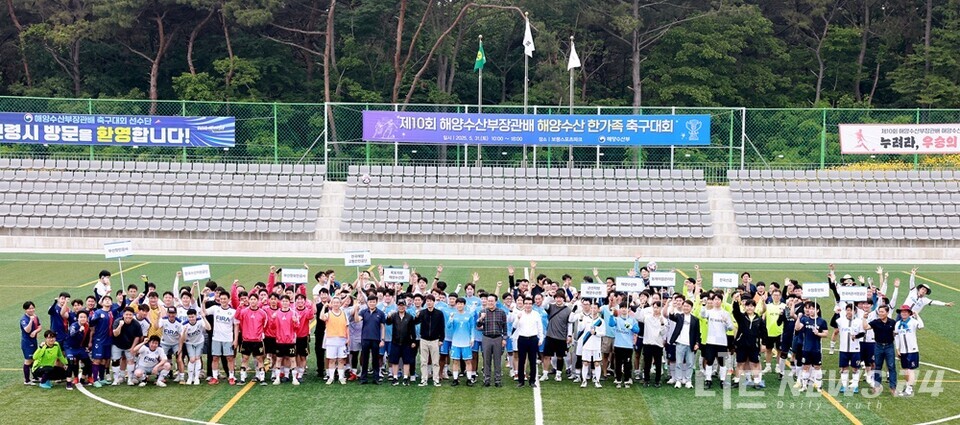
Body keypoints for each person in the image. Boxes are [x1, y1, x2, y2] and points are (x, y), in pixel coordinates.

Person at [698, 291, 734, 389]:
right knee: (709, 360)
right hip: (711, 342)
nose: (717, 301)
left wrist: (726, 322)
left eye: (719, 300)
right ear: (712, 301)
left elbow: (731, 328)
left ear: (721, 301)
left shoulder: (725, 313)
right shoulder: (709, 312)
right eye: (715, 300)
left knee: (722, 362)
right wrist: (703, 304)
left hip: (722, 342)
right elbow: (702, 314)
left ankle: (723, 380)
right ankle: (708, 379)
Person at [201, 292, 238, 385]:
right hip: (216, 338)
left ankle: (232, 377)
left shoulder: (233, 312)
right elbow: (204, 312)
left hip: (228, 339)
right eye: (221, 299)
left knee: (229, 358)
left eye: (225, 299)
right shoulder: (215, 308)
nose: (223, 301)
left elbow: (236, 326)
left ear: (229, 299)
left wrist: (235, 339)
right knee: (215, 358)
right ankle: (214, 377)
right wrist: (203, 303)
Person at [731, 296, 766, 389]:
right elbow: (735, 312)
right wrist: (735, 301)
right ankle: (736, 380)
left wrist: (764, 344)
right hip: (741, 344)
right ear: (745, 307)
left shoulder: (759, 320)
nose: (749, 308)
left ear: (754, 307)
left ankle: (757, 382)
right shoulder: (741, 317)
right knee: (740, 363)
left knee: (754, 363)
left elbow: (764, 332)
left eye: (751, 306)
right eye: (747, 306)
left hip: (754, 345)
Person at [863, 304, 897, 396]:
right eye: (879, 312)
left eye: (882, 312)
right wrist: (864, 318)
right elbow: (866, 327)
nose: (880, 313)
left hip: (889, 346)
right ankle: (877, 386)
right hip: (878, 346)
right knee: (877, 366)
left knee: (891, 367)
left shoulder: (892, 322)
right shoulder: (875, 322)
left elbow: (896, 333)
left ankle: (893, 387)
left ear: (887, 312)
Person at [794, 301, 828, 391]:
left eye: (813, 309)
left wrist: (818, 333)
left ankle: (818, 385)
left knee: (817, 367)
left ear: (817, 310)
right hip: (806, 348)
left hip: (816, 348)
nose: (811, 310)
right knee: (805, 367)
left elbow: (826, 334)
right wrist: (798, 318)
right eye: (810, 309)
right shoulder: (805, 320)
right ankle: (804, 386)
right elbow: (797, 328)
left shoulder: (821, 321)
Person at [667, 299, 700, 389]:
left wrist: (697, 343)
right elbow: (671, 316)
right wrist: (672, 307)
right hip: (680, 343)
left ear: (691, 308)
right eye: (684, 306)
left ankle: (688, 380)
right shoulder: (679, 316)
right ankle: (678, 380)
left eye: (688, 306)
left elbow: (697, 333)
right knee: (679, 362)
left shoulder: (695, 320)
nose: (686, 308)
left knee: (690, 363)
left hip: (690, 344)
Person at [513, 296, 544, 388]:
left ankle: (532, 380)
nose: (528, 305)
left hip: (533, 339)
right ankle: (521, 381)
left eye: (530, 304)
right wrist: (518, 318)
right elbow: (514, 326)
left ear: (532, 304)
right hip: (522, 339)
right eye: (526, 303)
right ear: (524, 304)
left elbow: (540, 327)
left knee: (532, 360)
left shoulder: (536, 314)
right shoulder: (520, 314)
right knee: (521, 360)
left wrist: (541, 338)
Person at [236, 295, 268, 385]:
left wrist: (259, 333)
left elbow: (265, 324)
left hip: (257, 341)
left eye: (254, 299)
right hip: (246, 340)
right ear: (248, 301)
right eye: (251, 299)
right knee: (245, 358)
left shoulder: (262, 312)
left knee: (259, 358)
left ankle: (262, 379)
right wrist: (239, 307)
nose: (253, 301)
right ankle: (242, 378)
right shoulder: (244, 311)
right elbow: (237, 317)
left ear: (258, 301)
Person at [414, 294, 445, 387]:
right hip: (423, 339)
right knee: (423, 361)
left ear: (434, 302)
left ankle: (436, 379)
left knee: (435, 361)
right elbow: (416, 322)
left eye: (431, 301)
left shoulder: (439, 313)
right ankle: (424, 379)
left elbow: (441, 327)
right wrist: (416, 316)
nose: (429, 303)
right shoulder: (422, 312)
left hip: (435, 340)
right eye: (427, 301)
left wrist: (441, 339)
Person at [446, 297, 479, 386]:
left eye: (461, 304)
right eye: (458, 304)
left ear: (464, 305)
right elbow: (448, 326)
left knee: (468, 361)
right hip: (456, 342)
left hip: (466, 342)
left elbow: (472, 327)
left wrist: (472, 338)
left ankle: (469, 379)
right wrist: (451, 319)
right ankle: (455, 379)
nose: (459, 305)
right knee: (455, 361)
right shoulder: (453, 314)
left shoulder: (469, 315)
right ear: (456, 305)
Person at [478, 292, 508, 387]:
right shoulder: (483, 312)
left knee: (497, 360)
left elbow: (505, 327)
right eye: (489, 301)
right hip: (486, 337)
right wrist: (481, 319)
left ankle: (497, 380)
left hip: (498, 338)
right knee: (486, 359)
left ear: (495, 302)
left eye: (492, 301)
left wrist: (504, 338)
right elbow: (478, 326)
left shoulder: (501, 312)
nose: (490, 302)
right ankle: (487, 379)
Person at [355, 294, 386, 385]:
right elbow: (357, 320)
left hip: (376, 339)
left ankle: (376, 378)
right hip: (365, 339)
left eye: (373, 302)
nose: (372, 303)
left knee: (375, 359)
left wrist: (382, 339)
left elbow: (382, 327)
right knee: (365, 359)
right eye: (370, 302)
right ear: (367, 302)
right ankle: (363, 378)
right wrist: (356, 311)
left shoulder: (380, 313)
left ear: (376, 302)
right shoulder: (363, 312)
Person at [542, 292, 573, 382]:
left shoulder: (568, 310)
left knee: (560, 356)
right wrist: (550, 296)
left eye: (560, 298)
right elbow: (544, 305)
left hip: (561, 337)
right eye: (557, 298)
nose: (558, 299)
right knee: (547, 356)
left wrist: (569, 335)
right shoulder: (551, 307)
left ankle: (558, 374)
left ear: (564, 299)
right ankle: (545, 374)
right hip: (550, 335)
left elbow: (569, 324)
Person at [608, 302, 640, 389]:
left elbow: (637, 330)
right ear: (620, 309)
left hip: (628, 346)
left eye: (625, 308)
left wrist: (631, 327)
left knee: (627, 364)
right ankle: (618, 380)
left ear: (628, 309)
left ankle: (626, 380)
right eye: (622, 308)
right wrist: (611, 315)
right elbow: (611, 324)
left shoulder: (632, 320)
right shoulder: (617, 319)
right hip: (618, 345)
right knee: (618, 364)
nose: (624, 309)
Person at [270, 295, 301, 385]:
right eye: (283, 301)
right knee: (278, 359)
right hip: (279, 341)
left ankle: (294, 378)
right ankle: (277, 378)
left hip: (290, 341)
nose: (285, 303)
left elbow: (297, 328)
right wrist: (272, 319)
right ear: (281, 302)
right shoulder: (277, 313)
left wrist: (295, 321)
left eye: (286, 301)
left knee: (292, 360)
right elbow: (272, 327)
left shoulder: (293, 313)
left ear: (289, 302)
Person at [319, 295, 350, 385]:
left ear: (340, 304)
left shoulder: (344, 314)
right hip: (331, 340)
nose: (336, 304)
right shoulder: (328, 314)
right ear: (331, 304)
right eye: (334, 302)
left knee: (341, 360)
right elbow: (321, 317)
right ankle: (331, 377)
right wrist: (324, 307)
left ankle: (341, 377)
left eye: (337, 302)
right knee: (331, 360)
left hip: (342, 340)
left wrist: (348, 338)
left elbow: (347, 327)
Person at [894, 304, 923, 396]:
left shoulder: (913, 322)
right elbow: (897, 337)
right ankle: (907, 387)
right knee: (906, 370)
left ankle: (909, 389)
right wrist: (897, 348)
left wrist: (917, 315)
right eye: (902, 312)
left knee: (910, 370)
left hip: (912, 350)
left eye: (906, 312)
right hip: (903, 350)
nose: (904, 313)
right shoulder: (898, 324)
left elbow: (921, 326)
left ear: (909, 313)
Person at [386, 299, 417, 386]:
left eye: (402, 305)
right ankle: (395, 377)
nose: (401, 307)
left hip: (406, 342)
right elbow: (388, 323)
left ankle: (405, 377)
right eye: (399, 305)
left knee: (406, 361)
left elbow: (412, 330)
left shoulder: (409, 317)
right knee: (395, 361)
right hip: (395, 342)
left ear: (405, 306)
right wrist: (388, 317)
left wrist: (413, 341)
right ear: (397, 306)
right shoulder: (394, 316)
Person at [637, 301, 667, 388]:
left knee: (658, 363)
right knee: (647, 363)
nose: (655, 309)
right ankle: (646, 380)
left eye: (657, 307)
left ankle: (657, 380)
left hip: (658, 344)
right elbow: (638, 318)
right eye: (654, 307)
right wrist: (640, 307)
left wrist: (662, 324)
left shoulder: (663, 319)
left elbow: (663, 333)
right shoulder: (647, 317)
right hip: (648, 343)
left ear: (661, 308)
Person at [837, 304, 865, 394]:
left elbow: (862, 333)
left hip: (855, 349)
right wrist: (836, 313)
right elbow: (833, 324)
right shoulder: (841, 320)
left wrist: (856, 336)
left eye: (851, 310)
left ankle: (855, 385)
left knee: (855, 368)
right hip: (843, 348)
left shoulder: (859, 321)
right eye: (848, 310)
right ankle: (844, 385)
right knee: (844, 367)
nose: (849, 312)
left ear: (855, 312)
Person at [112, 307, 144, 385]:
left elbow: (137, 337)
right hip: (117, 345)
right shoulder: (117, 321)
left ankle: (130, 379)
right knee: (115, 361)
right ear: (123, 314)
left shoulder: (136, 324)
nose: (128, 316)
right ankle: (116, 379)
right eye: (127, 314)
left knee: (130, 361)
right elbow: (115, 334)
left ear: (133, 315)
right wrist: (120, 326)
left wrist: (133, 347)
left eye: (130, 314)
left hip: (129, 345)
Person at [180, 308, 210, 385]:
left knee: (197, 358)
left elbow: (208, 328)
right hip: (190, 343)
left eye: (193, 317)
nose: (191, 319)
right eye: (189, 317)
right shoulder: (184, 325)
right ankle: (190, 377)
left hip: (199, 342)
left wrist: (204, 317)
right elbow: (183, 339)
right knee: (192, 359)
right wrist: (184, 332)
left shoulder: (200, 321)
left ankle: (196, 377)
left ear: (196, 316)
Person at [64, 310, 92, 389]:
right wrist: (79, 330)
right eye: (81, 317)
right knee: (71, 363)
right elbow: (72, 335)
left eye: (84, 317)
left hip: (79, 348)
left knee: (88, 363)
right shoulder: (74, 325)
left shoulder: (87, 326)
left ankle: (82, 379)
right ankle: (68, 382)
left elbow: (86, 337)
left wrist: (86, 346)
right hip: (70, 347)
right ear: (78, 318)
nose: (83, 319)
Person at [157, 307, 184, 383]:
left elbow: (181, 336)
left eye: (173, 313)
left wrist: (180, 347)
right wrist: (157, 318)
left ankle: (181, 377)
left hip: (175, 343)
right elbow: (156, 327)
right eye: (170, 313)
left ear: (175, 314)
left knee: (179, 359)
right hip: (164, 343)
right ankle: (161, 376)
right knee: (161, 359)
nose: (171, 315)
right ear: (167, 313)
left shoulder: (179, 323)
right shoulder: (163, 319)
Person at [293, 294, 315, 382]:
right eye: (298, 299)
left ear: (304, 301)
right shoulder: (292, 311)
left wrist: (312, 305)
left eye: (302, 299)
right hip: (294, 337)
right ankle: (297, 372)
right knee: (296, 355)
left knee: (303, 356)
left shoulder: (307, 311)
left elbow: (311, 316)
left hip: (303, 336)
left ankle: (301, 374)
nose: (300, 301)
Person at [21, 301, 41, 385]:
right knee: (28, 360)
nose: (31, 310)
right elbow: (27, 330)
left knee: (34, 359)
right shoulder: (24, 319)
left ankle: (35, 377)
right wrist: (31, 321)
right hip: (27, 343)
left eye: (32, 308)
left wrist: (35, 331)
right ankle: (27, 380)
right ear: (25, 310)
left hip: (34, 341)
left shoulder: (35, 317)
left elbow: (40, 327)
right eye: (29, 308)